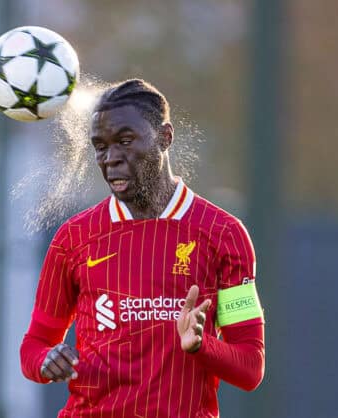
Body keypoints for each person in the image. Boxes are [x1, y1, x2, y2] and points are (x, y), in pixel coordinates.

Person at [20, 79, 265, 417]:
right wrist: (45, 361)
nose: (110, 159)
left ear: (165, 137)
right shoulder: (73, 238)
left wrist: (200, 345)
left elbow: (251, 367)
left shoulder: (223, 234)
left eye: (125, 141)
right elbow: (34, 344)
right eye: (100, 146)